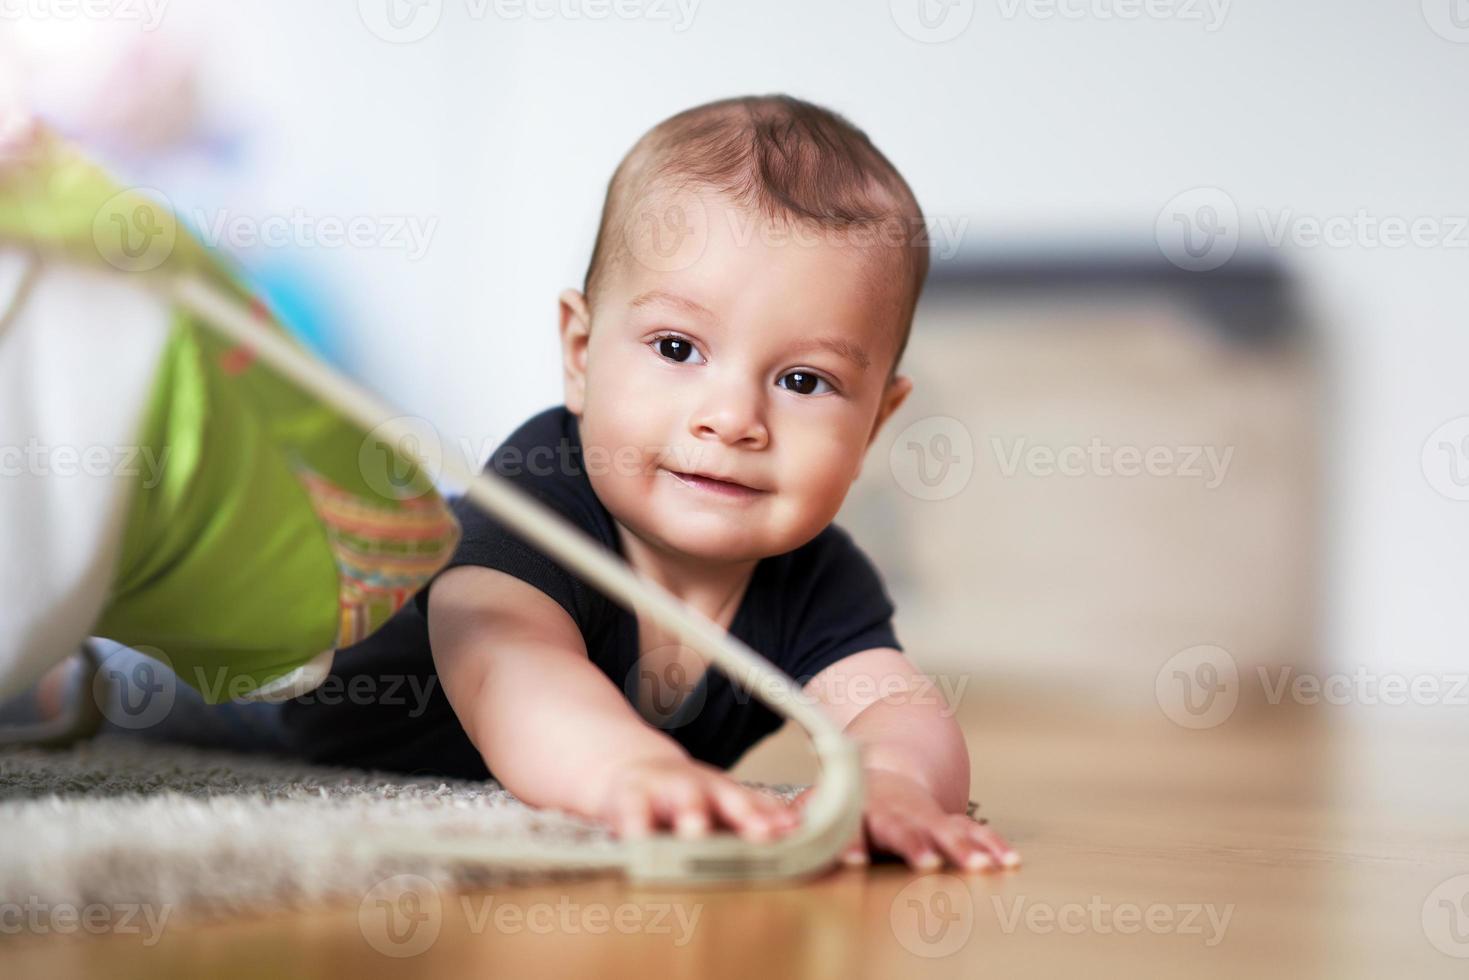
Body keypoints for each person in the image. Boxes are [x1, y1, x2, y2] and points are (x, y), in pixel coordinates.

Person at [278, 95, 1020, 873]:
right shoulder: (536, 494)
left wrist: (892, 783)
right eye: (676, 347)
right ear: (580, 352)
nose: (733, 418)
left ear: (873, 423)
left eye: (804, 380)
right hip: (294, 684)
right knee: (167, 677)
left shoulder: (817, 578)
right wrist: (632, 770)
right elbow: (510, 668)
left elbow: (894, 708)